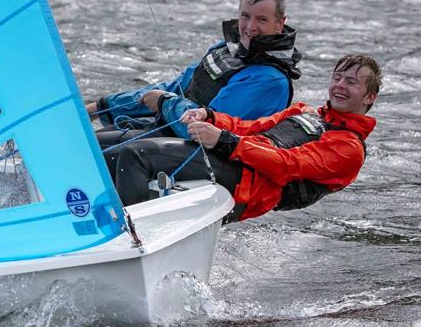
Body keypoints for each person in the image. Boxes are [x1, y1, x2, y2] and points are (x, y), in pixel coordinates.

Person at [111, 54, 381, 222]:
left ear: (369, 97)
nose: (340, 86)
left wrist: (224, 141)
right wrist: (210, 117)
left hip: (246, 189)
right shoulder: (304, 111)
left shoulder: (349, 149)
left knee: (136, 155)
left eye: (352, 82)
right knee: (112, 153)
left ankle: (131, 241)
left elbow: (286, 164)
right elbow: (249, 127)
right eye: (338, 78)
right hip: (232, 160)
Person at [86, 0, 302, 145]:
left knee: (100, 150)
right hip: (169, 131)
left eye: (262, 19)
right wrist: (101, 107)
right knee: (86, 140)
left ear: (279, 24)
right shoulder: (224, 50)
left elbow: (206, 128)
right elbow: (176, 87)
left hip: (207, 158)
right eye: (245, 16)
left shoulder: (269, 80)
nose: (250, 27)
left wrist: (164, 103)